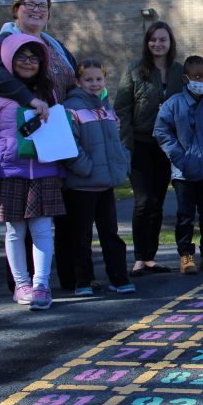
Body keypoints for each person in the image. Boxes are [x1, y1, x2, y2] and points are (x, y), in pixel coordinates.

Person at [0, 0, 77, 291]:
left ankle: (49, 282)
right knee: (17, 224)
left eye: (42, 6)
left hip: (53, 143)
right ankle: (21, 285)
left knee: (48, 223)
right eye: (30, 4)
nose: (36, 10)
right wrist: (31, 99)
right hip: (16, 149)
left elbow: (74, 82)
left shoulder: (53, 45)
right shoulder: (5, 43)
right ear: (16, 8)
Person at [0, 33, 65, 310]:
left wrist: (59, 173)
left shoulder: (49, 94)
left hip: (45, 173)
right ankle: (21, 284)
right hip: (9, 173)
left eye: (33, 57)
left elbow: (57, 135)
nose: (28, 62)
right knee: (15, 231)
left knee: (42, 230)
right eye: (21, 57)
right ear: (9, 61)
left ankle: (41, 285)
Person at [153, 55, 203, 275]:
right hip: (183, 172)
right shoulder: (174, 103)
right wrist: (179, 157)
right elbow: (161, 131)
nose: (202, 80)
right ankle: (185, 255)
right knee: (185, 215)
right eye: (197, 76)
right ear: (186, 78)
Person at [114, 21, 183, 277]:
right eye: (153, 39)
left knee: (158, 201)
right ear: (147, 42)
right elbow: (121, 108)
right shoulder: (134, 69)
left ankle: (151, 258)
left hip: (166, 146)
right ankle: (139, 259)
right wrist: (127, 143)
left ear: (170, 42)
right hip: (140, 143)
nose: (158, 44)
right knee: (143, 200)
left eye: (162, 39)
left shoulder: (178, 72)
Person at [64, 59, 134, 296]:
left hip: (105, 185)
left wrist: (122, 162)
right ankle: (83, 281)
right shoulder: (71, 108)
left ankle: (119, 277)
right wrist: (87, 168)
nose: (94, 84)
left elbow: (116, 141)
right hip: (82, 186)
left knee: (110, 234)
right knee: (81, 237)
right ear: (78, 81)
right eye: (88, 79)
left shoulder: (106, 109)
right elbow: (69, 146)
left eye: (98, 79)